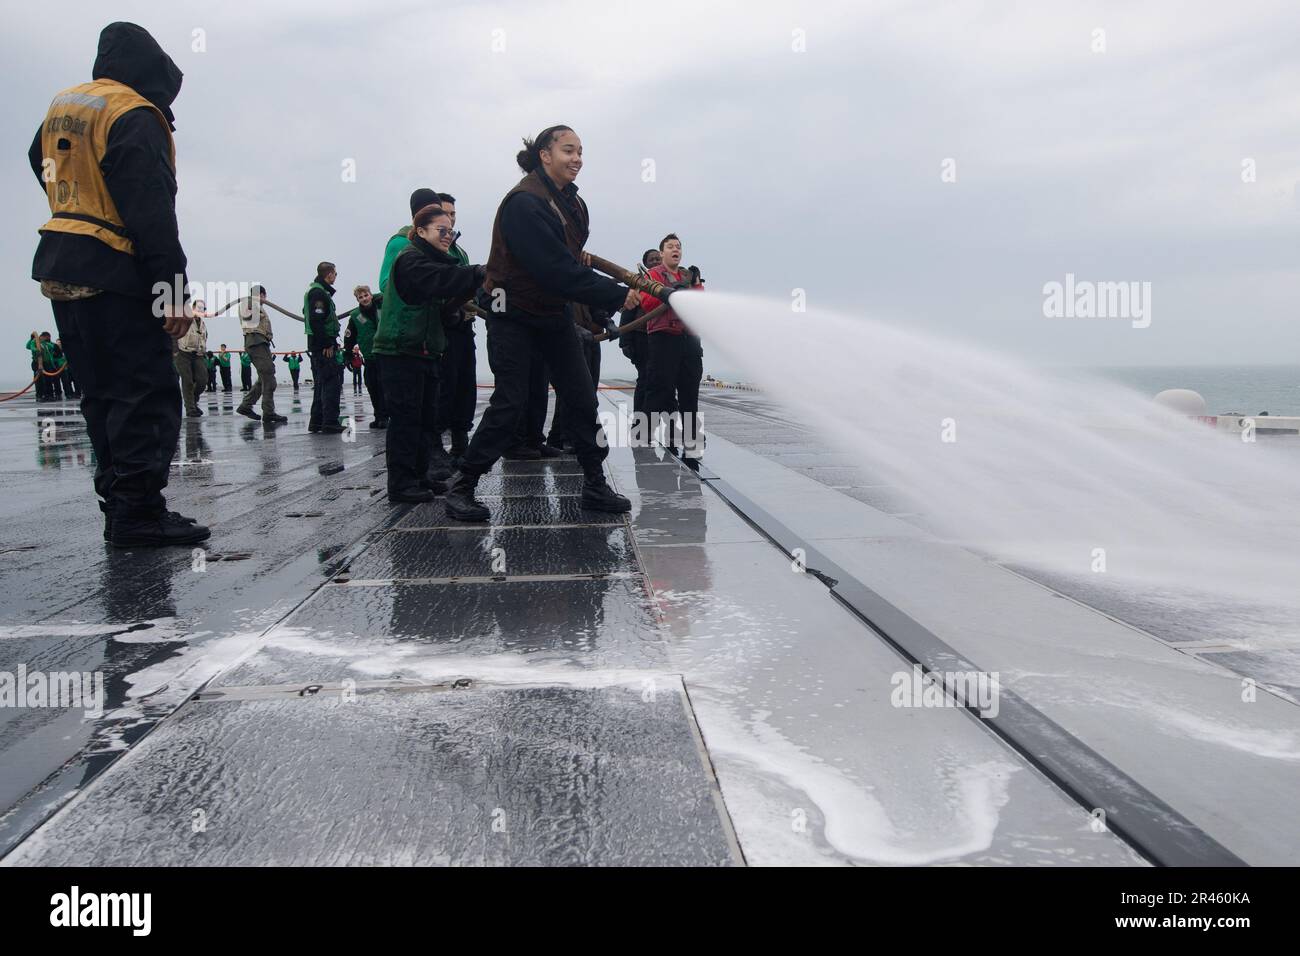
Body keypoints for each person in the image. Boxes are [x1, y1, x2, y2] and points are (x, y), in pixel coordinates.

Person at [28, 21, 207, 546]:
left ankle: (120, 508)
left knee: (100, 394)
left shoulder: (68, 103)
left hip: (61, 264)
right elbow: (153, 212)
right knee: (144, 393)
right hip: (114, 270)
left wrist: (71, 202)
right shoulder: (133, 113)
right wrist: (172, 291)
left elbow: (33, 160)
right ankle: (138, 513)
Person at [445, 125, 653, 521]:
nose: (576, 159)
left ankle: (594, 483)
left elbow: (568, 262)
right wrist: (614, 294)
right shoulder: (524, 203)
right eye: (567, 151)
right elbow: (554, 269)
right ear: (544, 154)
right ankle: (463, 485)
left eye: (580, 152)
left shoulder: (573, 204)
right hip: (512, 312)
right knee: (511, 402)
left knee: (581, 397)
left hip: (552, 313)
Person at [372, 203, 484, 502]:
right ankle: (401, 484)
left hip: (426, 351)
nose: (448, 236)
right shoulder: (411, 260)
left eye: (451, 231)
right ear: (420, 231)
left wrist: (458, 316)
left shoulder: (436, 260)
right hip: (400, 351)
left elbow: (441, 306)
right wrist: (481, 273)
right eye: (441, 230)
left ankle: (420, 476)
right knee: (406, 420)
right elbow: (444, 280)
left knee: (425, 420)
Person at [640, 233, 704, 459]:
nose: (675, 249)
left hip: (689, 340)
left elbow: (700, 307)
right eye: (670, 247)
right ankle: (643, 433)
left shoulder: (687, 275)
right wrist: (669, 291)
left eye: (678, 246)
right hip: (664, 338)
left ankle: (691, 435)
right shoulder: (653, 275)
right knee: (660, 388)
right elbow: (647, 303)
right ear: (662, 253)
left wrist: (695, 285)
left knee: (689, 389)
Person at [430, 193, 481, 469]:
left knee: (465, 385)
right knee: (444, 387)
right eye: (445, 214)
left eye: (453, 215)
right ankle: (436, 445)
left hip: (464, 326)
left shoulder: (458, 251)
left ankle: (461, 441)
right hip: (443, 327)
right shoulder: (433, 250)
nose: (450, 219)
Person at [233, 285, 286, 423]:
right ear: (261, 295)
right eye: (264, 296)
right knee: (269, 378)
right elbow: (249, 317)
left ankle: (246, 406)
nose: (265, 299)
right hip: (255, 342)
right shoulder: (248, 303)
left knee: (264, 377)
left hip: (261, 343)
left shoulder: (258, 306)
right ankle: (268, 412)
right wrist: (254, 301)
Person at [618, 248, 661, 416]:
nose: (656, 262)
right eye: (652, 260)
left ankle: (652, 421)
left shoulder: (667, 282)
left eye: (658, 259)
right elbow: (627, 313)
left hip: (660, 338)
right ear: (645, 263)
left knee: (659, 382)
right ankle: (640, 423)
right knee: (645, 379)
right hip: (641, 338)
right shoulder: (638, 284)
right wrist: (625, 342)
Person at [304, 261, 345, 434]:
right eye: (335, 274)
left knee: (321, 384)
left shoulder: (315, 292)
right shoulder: (319, 294)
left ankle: (317, 422)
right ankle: (330, 422)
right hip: (323, 346)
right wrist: (327, 343)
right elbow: (317, 320)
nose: (335, 277)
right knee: (331, 384)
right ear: (329, 274)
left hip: (318, 345)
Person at [342, 286, 384, 421]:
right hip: (370, 356)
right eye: (361, 297)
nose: (364, 299)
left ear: (371, 295)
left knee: (386, 387)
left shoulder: (384, 306)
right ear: (357, 300)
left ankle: (388, 415)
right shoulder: (355, 316)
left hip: (386, 355)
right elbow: (349, 337)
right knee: (372, 386)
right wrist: (348, 354)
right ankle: (379, 415)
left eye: (366, 295)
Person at [173, 302, 207, 417]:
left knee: (202, 381)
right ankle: (190, 409)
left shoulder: (202, 323)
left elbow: (204, 337)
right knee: (187, 381)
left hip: (198, 354)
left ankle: (193, 401)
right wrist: (175, 351)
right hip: (182, 353)